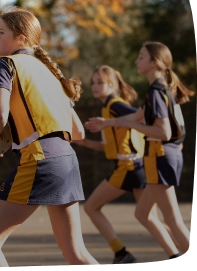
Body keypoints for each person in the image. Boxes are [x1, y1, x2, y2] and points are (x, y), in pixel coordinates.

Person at [0, 7, 98, 266]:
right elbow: (78, 132)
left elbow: (0, 116)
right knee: (76, 253)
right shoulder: (51, 73)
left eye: (1, 32)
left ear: (20, 38)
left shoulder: (6, 64)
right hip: (67, 160)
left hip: (40, 161)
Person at [84, 41, 193, 259]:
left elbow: (161, 132)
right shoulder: (161, 89)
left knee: (172, 220)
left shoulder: (155, 91)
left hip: (158, 158)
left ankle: (184, 258)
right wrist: (107, 124)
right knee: (143, 214)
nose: (136, 61)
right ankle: (174, 256)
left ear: (154, 63)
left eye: (141, 57)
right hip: (158, 158)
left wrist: (129, 126)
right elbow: (142, 119)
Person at [74, 65, 152, 263]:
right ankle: (179, 252)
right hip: (137, 167)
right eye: (93, 83)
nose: (95, 86)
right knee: (152, 219)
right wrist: (84, 143)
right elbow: (107, 147)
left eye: (100, 82)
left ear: (112, 84)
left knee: (91, 207)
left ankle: (121, 253)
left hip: (127, 168)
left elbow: (140, 115)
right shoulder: (109, 108)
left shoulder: (115, 105)